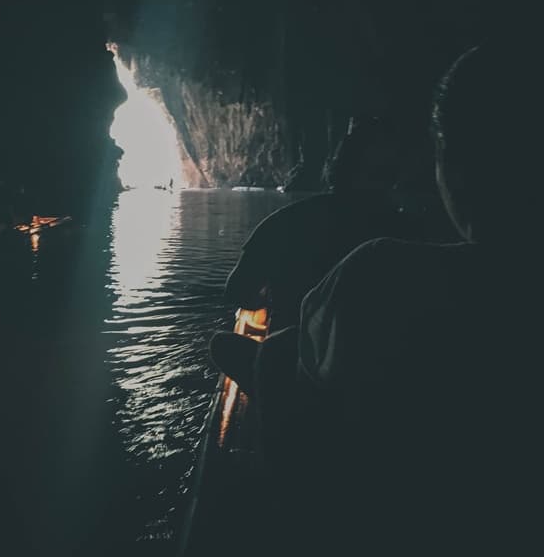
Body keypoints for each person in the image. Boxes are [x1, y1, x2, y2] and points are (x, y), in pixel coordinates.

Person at [216, 40, 542, 552]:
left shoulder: (376, 270)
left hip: (380, 508)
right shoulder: (410, 232)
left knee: (274, 354)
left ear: (450, 165)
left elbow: (239, 293)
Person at [224, 117, 409, 331]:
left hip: (293, 341)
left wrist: (274, 298)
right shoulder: (407, 232)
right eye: (384, 175)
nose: (389, 185)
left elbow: (238, 291)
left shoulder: (285, 222)